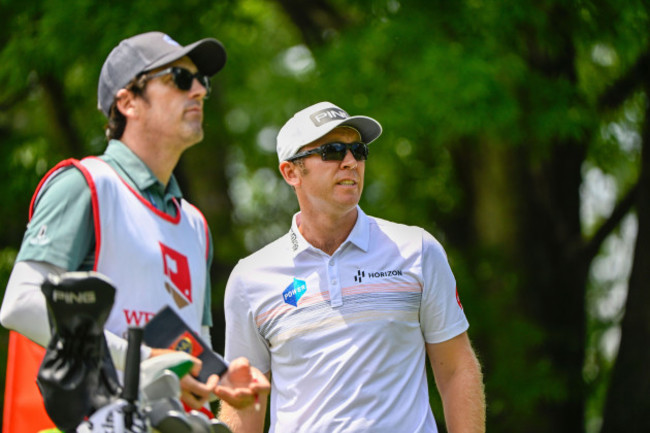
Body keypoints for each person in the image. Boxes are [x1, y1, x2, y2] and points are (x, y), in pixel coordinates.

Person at [0, 31, 268, 415]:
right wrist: (142, 360)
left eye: (202, 81)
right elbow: (19, 305)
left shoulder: (195, 225)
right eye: (179, 78)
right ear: (127, 101)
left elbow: (192, 352)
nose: (198, 92)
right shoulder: (85, 185)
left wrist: (219, 379)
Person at [219, 101, 486, 432]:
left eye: (358, 151)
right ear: (291, 172)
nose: (350, 162)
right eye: (332, 151)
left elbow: (458, 369)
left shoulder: (417, 250)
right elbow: (243, 401)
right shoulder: (250, 278)